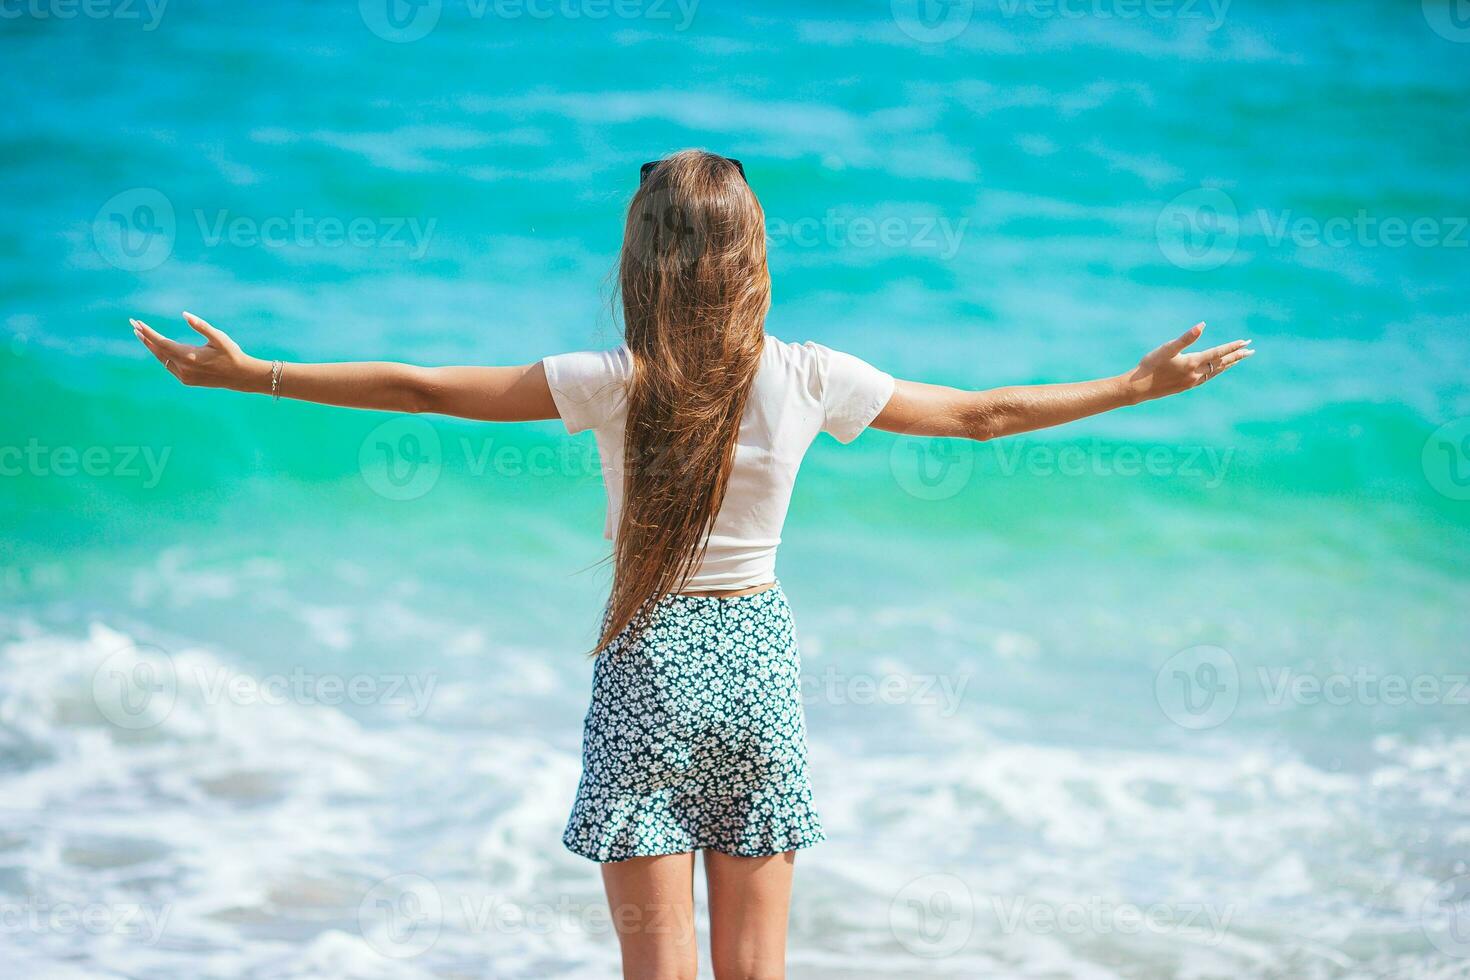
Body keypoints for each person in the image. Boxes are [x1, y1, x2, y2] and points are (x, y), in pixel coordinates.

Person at [131, 148, 1253, 980]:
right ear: (754, 253)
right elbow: (985, 414)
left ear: (641, 257)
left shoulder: (608, 378)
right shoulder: (812, 374)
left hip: (649, 662)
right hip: (760, 666)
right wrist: (1132, 386)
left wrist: (252, 373)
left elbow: (426, 388)